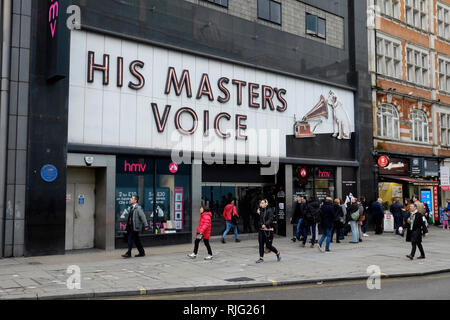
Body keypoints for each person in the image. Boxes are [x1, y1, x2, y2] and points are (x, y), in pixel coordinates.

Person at [256, 199, 281, 263]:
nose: (261, 204)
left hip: (268, 231)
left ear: (266, 204)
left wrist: (265, 224)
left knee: (268, 245)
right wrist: (261, 223)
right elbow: (260, 220)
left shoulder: (270, 210)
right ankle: (261, 258)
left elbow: (270, 219)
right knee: (261, 244)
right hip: (261, 230)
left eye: (262, 203)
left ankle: (277, 253)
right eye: (260, 203)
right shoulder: (261, 210)